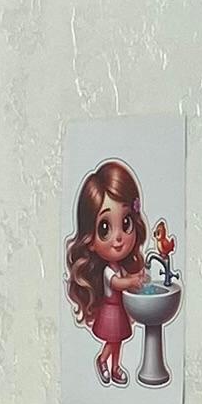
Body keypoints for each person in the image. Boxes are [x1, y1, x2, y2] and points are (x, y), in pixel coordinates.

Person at [66, 161, 146, 386]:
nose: (118, 238)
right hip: (111, 311)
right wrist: (132, 280)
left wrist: (137, 277)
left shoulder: (120, 266)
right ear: (90, 241)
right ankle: (103, 360)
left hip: (119, 311)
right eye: (105, 229)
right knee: (113, 341)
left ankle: (116, 367)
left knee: (118, 341)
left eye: (126, 223)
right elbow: (117, 283)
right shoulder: (109, 271)